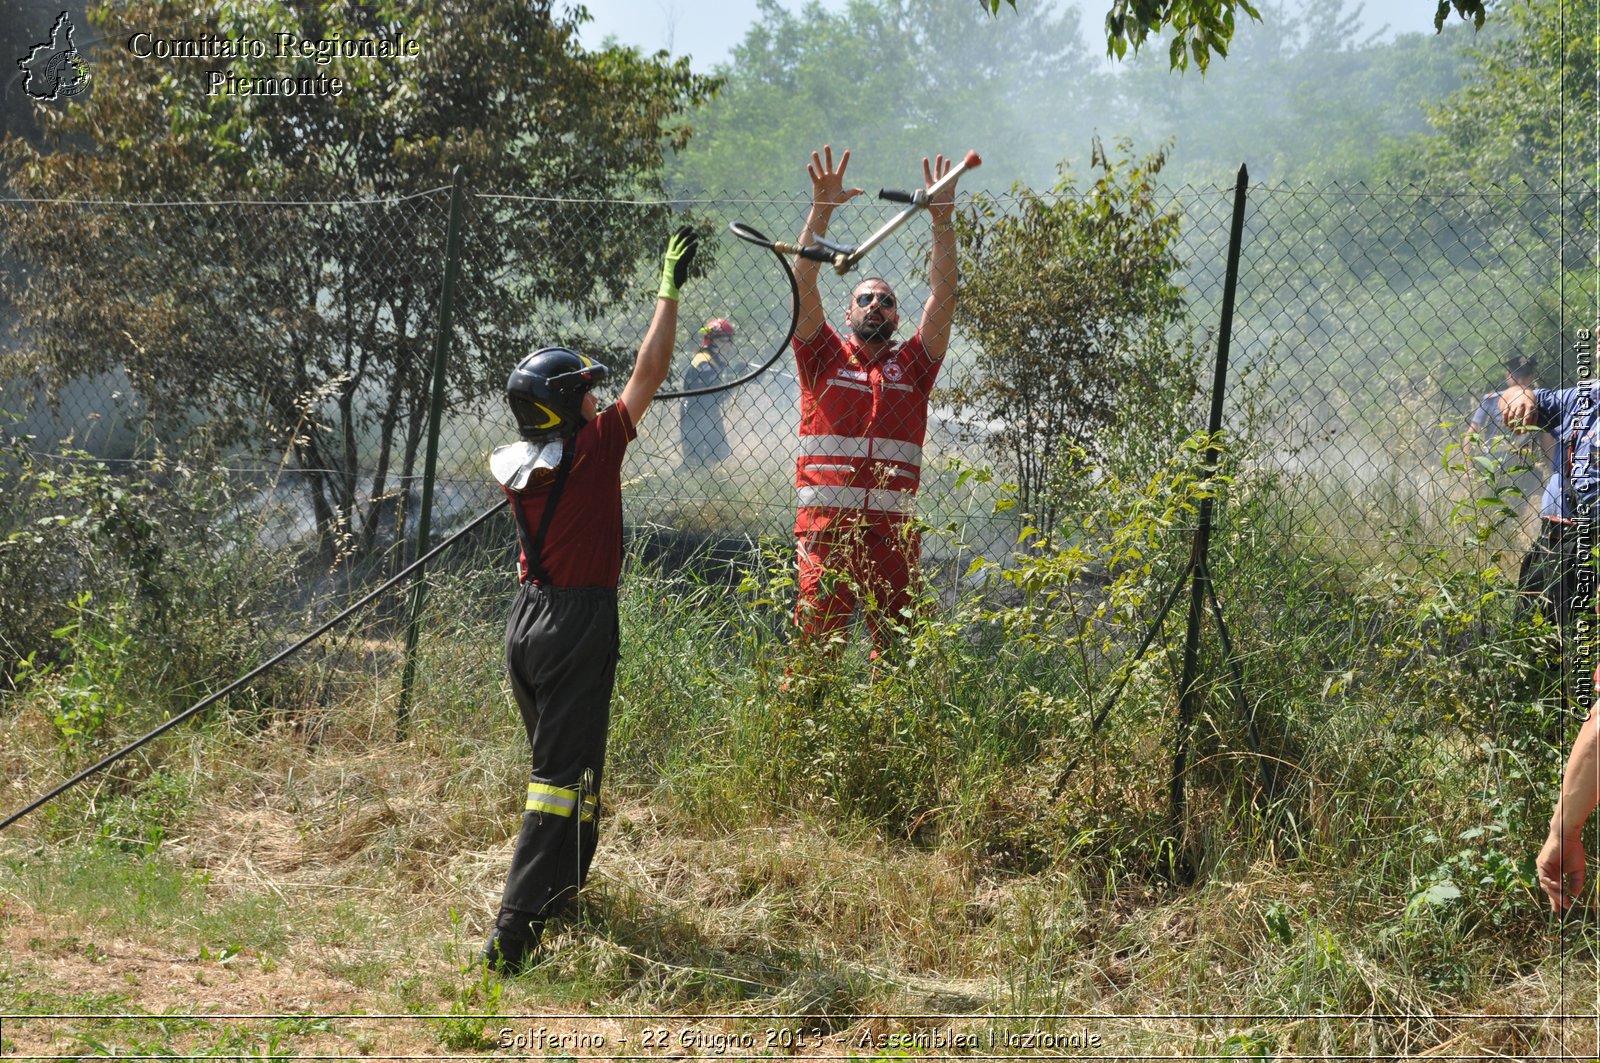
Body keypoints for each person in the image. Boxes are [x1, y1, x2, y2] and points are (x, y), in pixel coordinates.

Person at [481, 227, 695, 972]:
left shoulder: (522, 468)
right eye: (587, 391)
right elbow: (653, 366)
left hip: (526, 622)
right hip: (576, 620)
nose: (600, 396)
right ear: (569, 408)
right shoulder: (594, 449)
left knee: (568, 771)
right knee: (556, 784)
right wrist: (668, 287)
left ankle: (559, 897)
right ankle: (512, 932)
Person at [787, 145, 960, 653]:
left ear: (898, 317)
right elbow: (803, 281)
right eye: (866, 298)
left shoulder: (914, 365)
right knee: (816, 657)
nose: (877, 305)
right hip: (826, 536)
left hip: (892, 538)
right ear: (848, 312)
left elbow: (944, 294)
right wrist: (822, 210)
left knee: (899, 658)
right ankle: (800, 732)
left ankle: (886, 736)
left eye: (887, 300)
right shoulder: (821, 356)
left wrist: (942, 223)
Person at [1501, 376, 1600, 911]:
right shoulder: (1585, 395)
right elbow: (1531, 404)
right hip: (1557, 537)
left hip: (1595, 548)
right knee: (1532, 650)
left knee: (1582, 662)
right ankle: (1533, 744)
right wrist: (1519, 397)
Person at [1465, 355, 1547, 527]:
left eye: (1524, 375)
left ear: (1531, 376)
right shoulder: (1491, 399)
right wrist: (1468, 466)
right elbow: (1471, 435)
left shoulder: (1542, 399)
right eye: (1517, 375)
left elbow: (1470, 435)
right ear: (1508, 375)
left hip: (1520, 464)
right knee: (1491, 511)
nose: (1521, 379)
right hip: (1494, 462)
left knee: (1511, 513)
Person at [679, 318, 736, 469]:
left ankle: (702, 476)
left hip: (708, 412)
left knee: (719, 452)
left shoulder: (714, 360)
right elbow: (711, 389)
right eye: (726, 339)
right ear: (713, 340)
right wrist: (735, 375)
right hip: (696, 412)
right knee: (694, 459)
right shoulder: (704, 361)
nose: (730, 344)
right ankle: (688, 477)